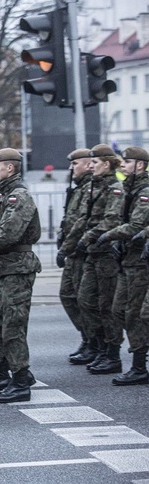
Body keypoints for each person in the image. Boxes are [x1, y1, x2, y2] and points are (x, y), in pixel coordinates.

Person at [0, 148, 41, 403]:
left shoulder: (18, 196)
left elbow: (8, 233)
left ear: (9, 168)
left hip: (17, 266)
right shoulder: (5, 194)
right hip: (4, 266)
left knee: (13, 326)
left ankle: (21, 380)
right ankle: (3, 370)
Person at [60, 145, 122, 372]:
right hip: (89, 251)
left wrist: (84, 239)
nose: (71, 168)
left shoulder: (113, 188)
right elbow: (79, 219)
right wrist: (67, 244)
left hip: (103, 253)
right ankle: (95, 343)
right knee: (83, 300)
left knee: (105, 305)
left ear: (104, 164)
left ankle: (110, 352)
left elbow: (110, 220)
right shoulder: (91, 187)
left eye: (95, 163)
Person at [97, 146, 149, 386]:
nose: (123, 166)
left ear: (139, 165)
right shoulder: (129, 189)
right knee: (119, 311)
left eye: (127, 162)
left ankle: (139, 365)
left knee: (135, 313)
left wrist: (108, 236)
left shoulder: (144, 191)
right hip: (128, 260)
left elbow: (136, 225)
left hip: (140, 262)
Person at [54, 149, 93, 364]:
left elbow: (82, 222)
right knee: (68, 296)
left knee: (85, 300)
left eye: (75, 163)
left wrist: (66, 248)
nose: (71, 168)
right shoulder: (78, 189)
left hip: (81, 251)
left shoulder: (90, 189)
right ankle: (88, 337)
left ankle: (96, 342)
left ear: (88, 165)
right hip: (73, 251)